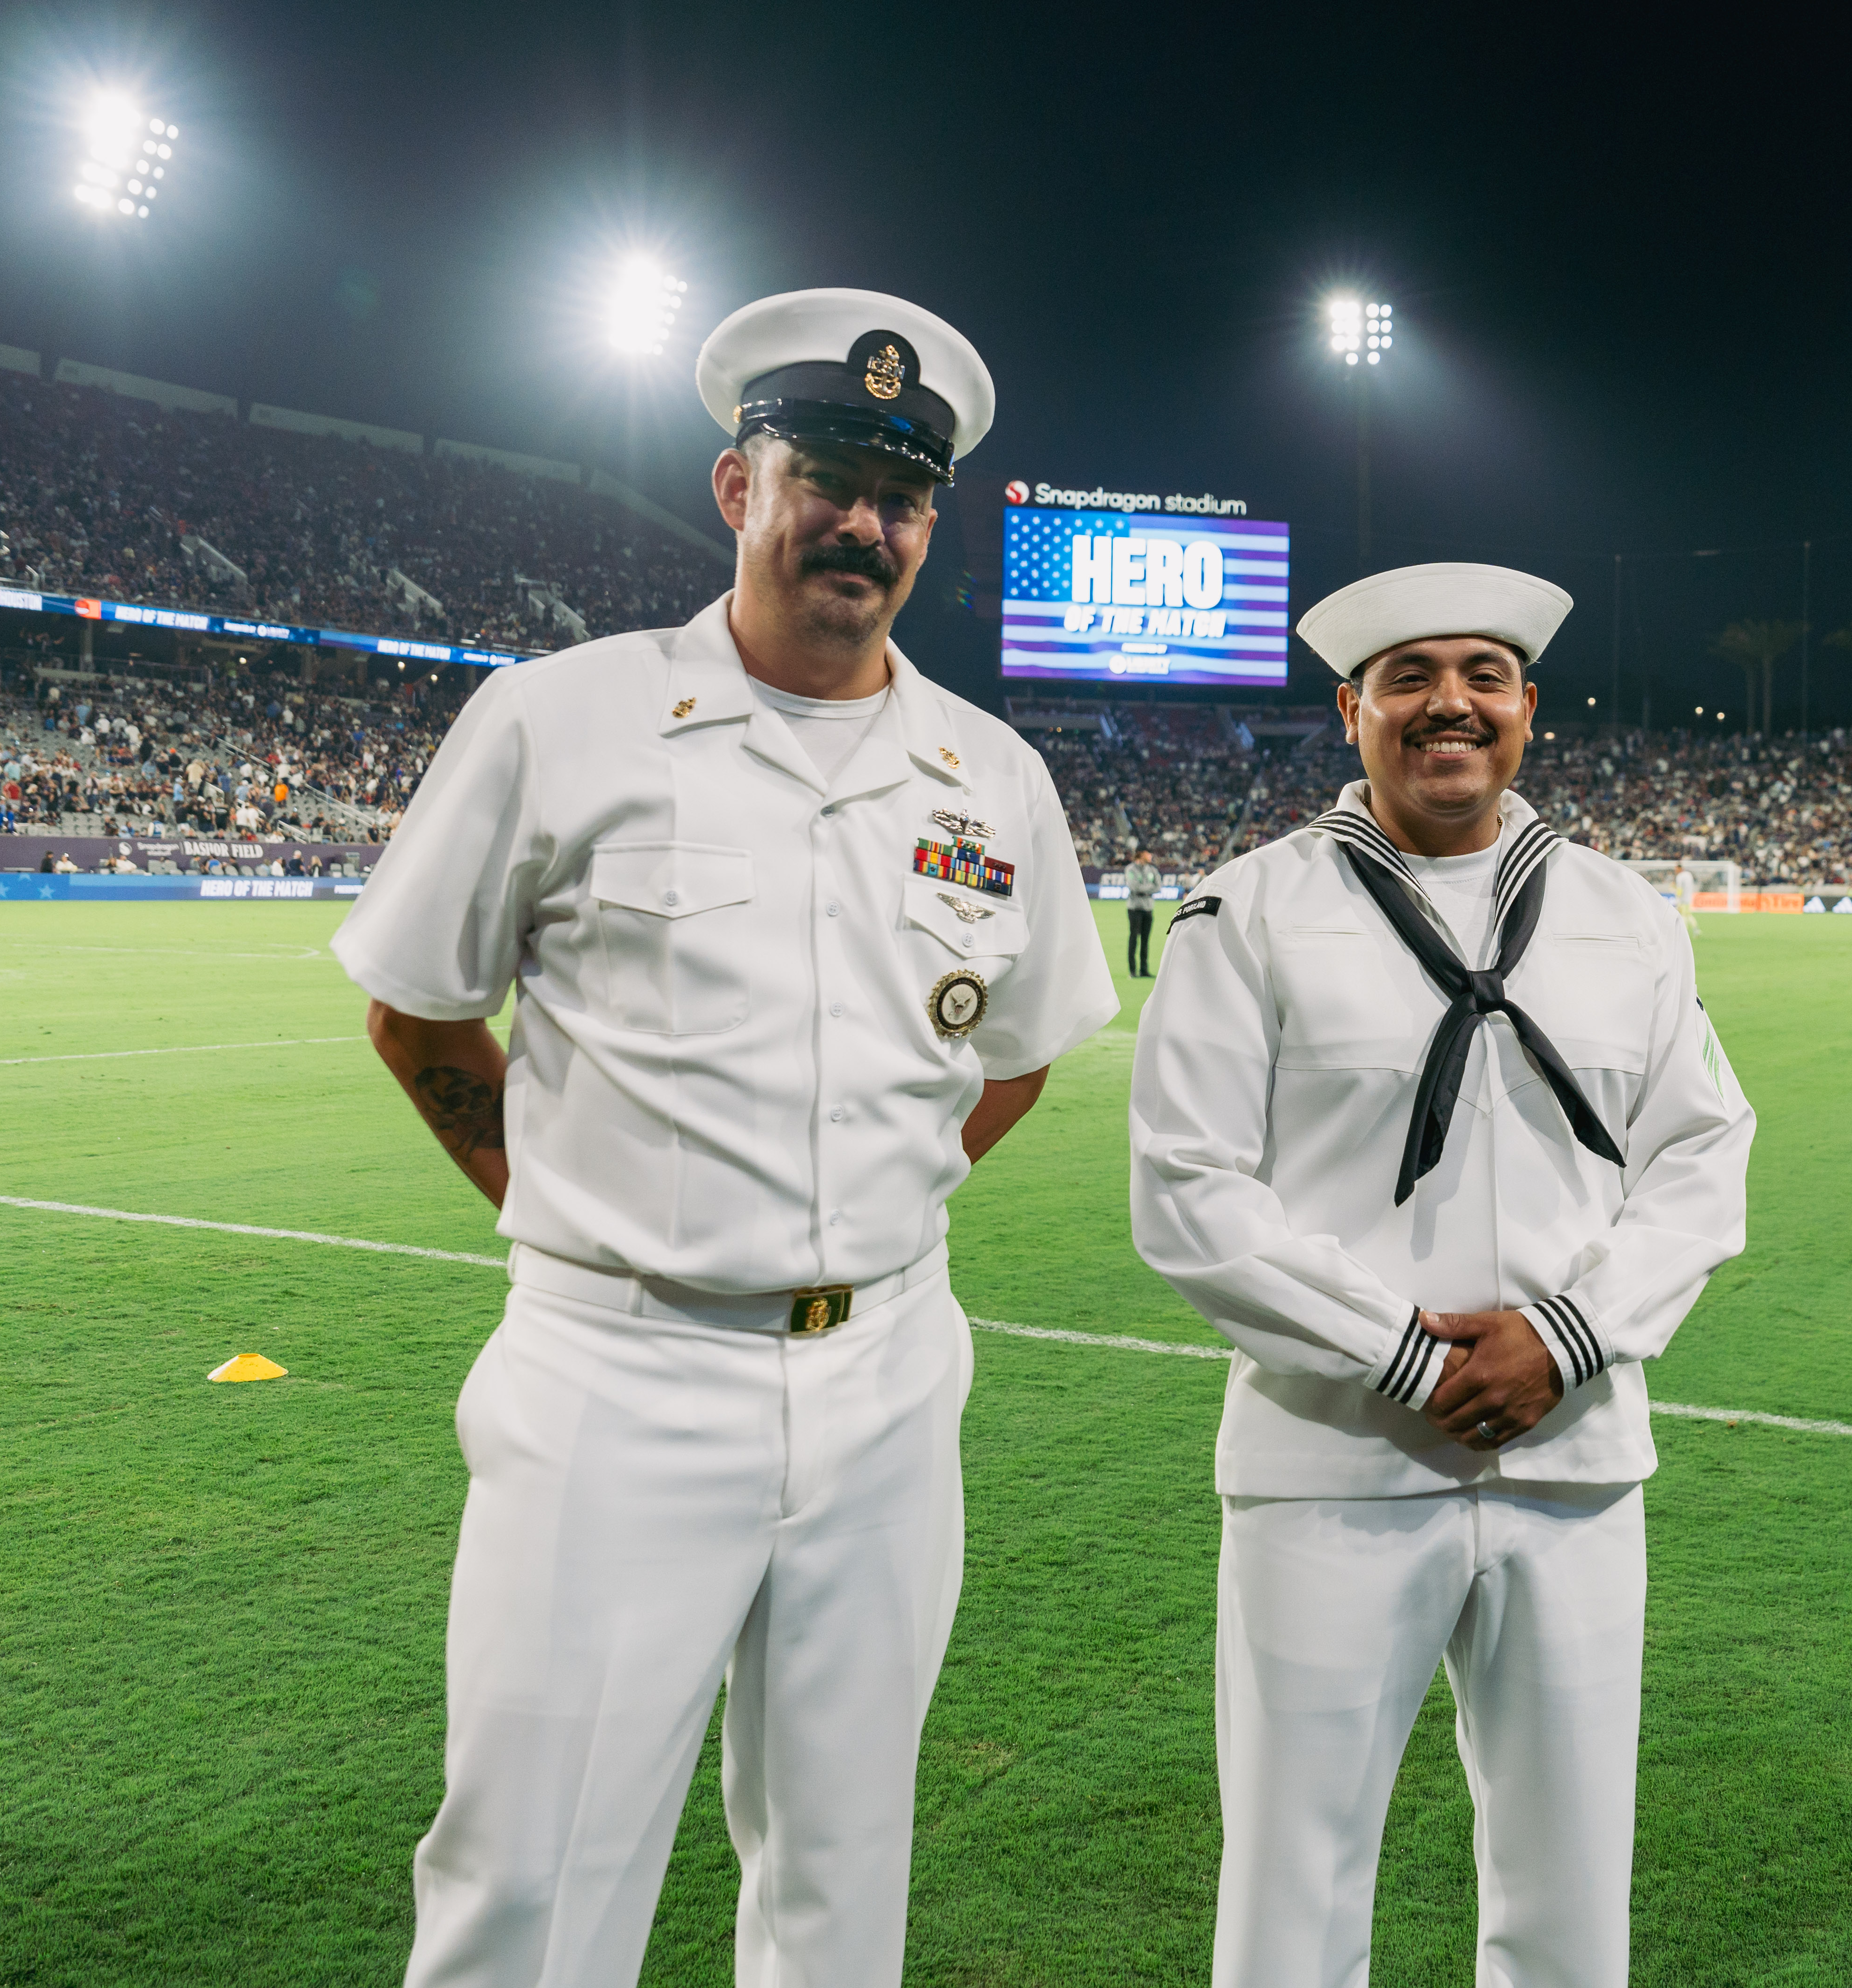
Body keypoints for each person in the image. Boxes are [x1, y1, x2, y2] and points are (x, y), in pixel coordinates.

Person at [330, 288, 1114, 1988]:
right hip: (622, 1371)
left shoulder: (994, 773)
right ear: (733, 485)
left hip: (894, 1375)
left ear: (933, 525)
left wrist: (855, 1207)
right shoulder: (562, 717)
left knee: (841, 1879)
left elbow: (1025, 1051)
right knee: (532, 1885)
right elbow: (415, 1005)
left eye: (900, 497)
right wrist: (585, 1210)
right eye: (822, 473)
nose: (860, 522)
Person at [1128, 563, 1754, 1988]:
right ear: (1350, 713)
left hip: (1574, 1461)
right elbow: (1186, 1190)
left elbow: (1703, 1157)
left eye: (1481, 674)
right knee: (1294, 1883)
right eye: (1407, 678)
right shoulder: (1249, 913)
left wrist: (1570, 1336)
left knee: (1571, 1891)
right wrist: (1403, 1352)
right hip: (1331, 1462)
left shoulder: (1626, 918)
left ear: (1526, 708)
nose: (1447, 704)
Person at [1122, 847, 1163, 977]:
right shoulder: (1130, 869)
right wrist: (1149, 889)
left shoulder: (1152, 870)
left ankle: (1144, 970)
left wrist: (1144, 890)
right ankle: (1133, 971)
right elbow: (1134, 887)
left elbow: (1158, 887)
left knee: (1146, 940)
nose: (1151, 856)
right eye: (1148, 853)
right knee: (1134, 938)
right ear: (1141, 854)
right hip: (1134, 909)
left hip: (1148, 908)